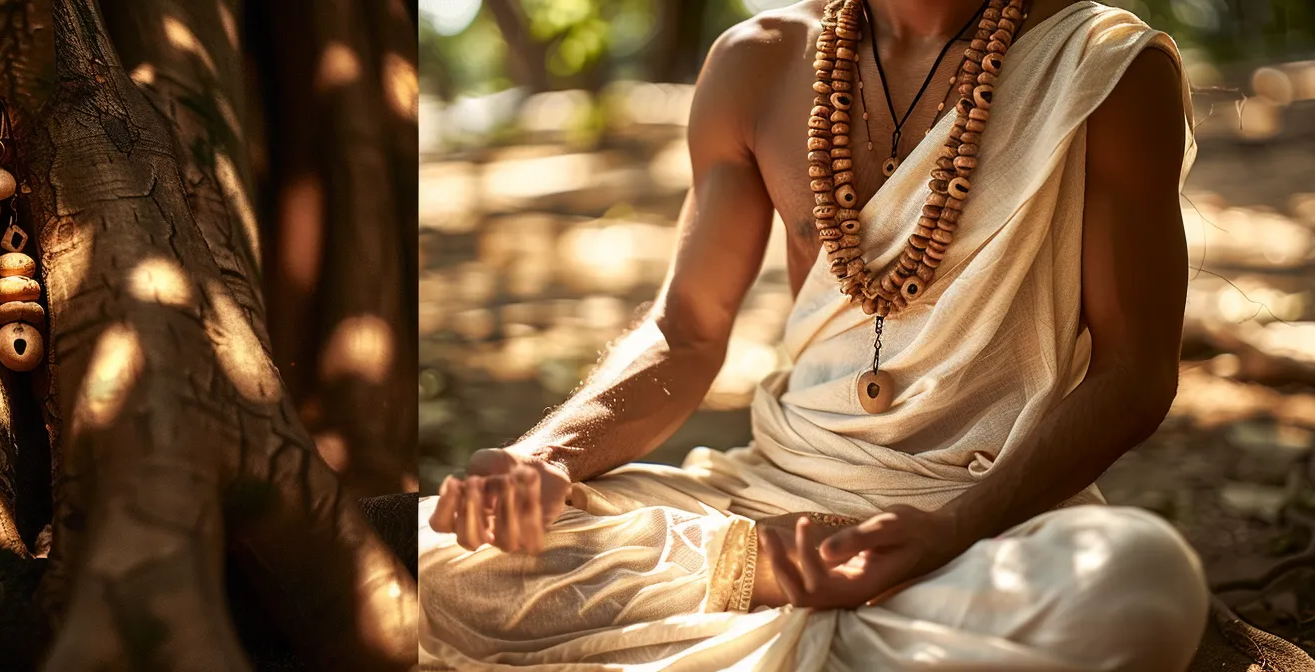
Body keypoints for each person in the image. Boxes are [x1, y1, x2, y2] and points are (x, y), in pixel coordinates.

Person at [418, 0, 1211, 669]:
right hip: (772, 511)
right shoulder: (758, 63)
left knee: (1142, 582)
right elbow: (687, 328)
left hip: (990, 514)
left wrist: (954, 530)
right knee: (442, 554)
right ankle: (765, 591)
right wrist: (543, 456)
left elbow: (1134, 374)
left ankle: (742, 624)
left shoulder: (1105, 69)